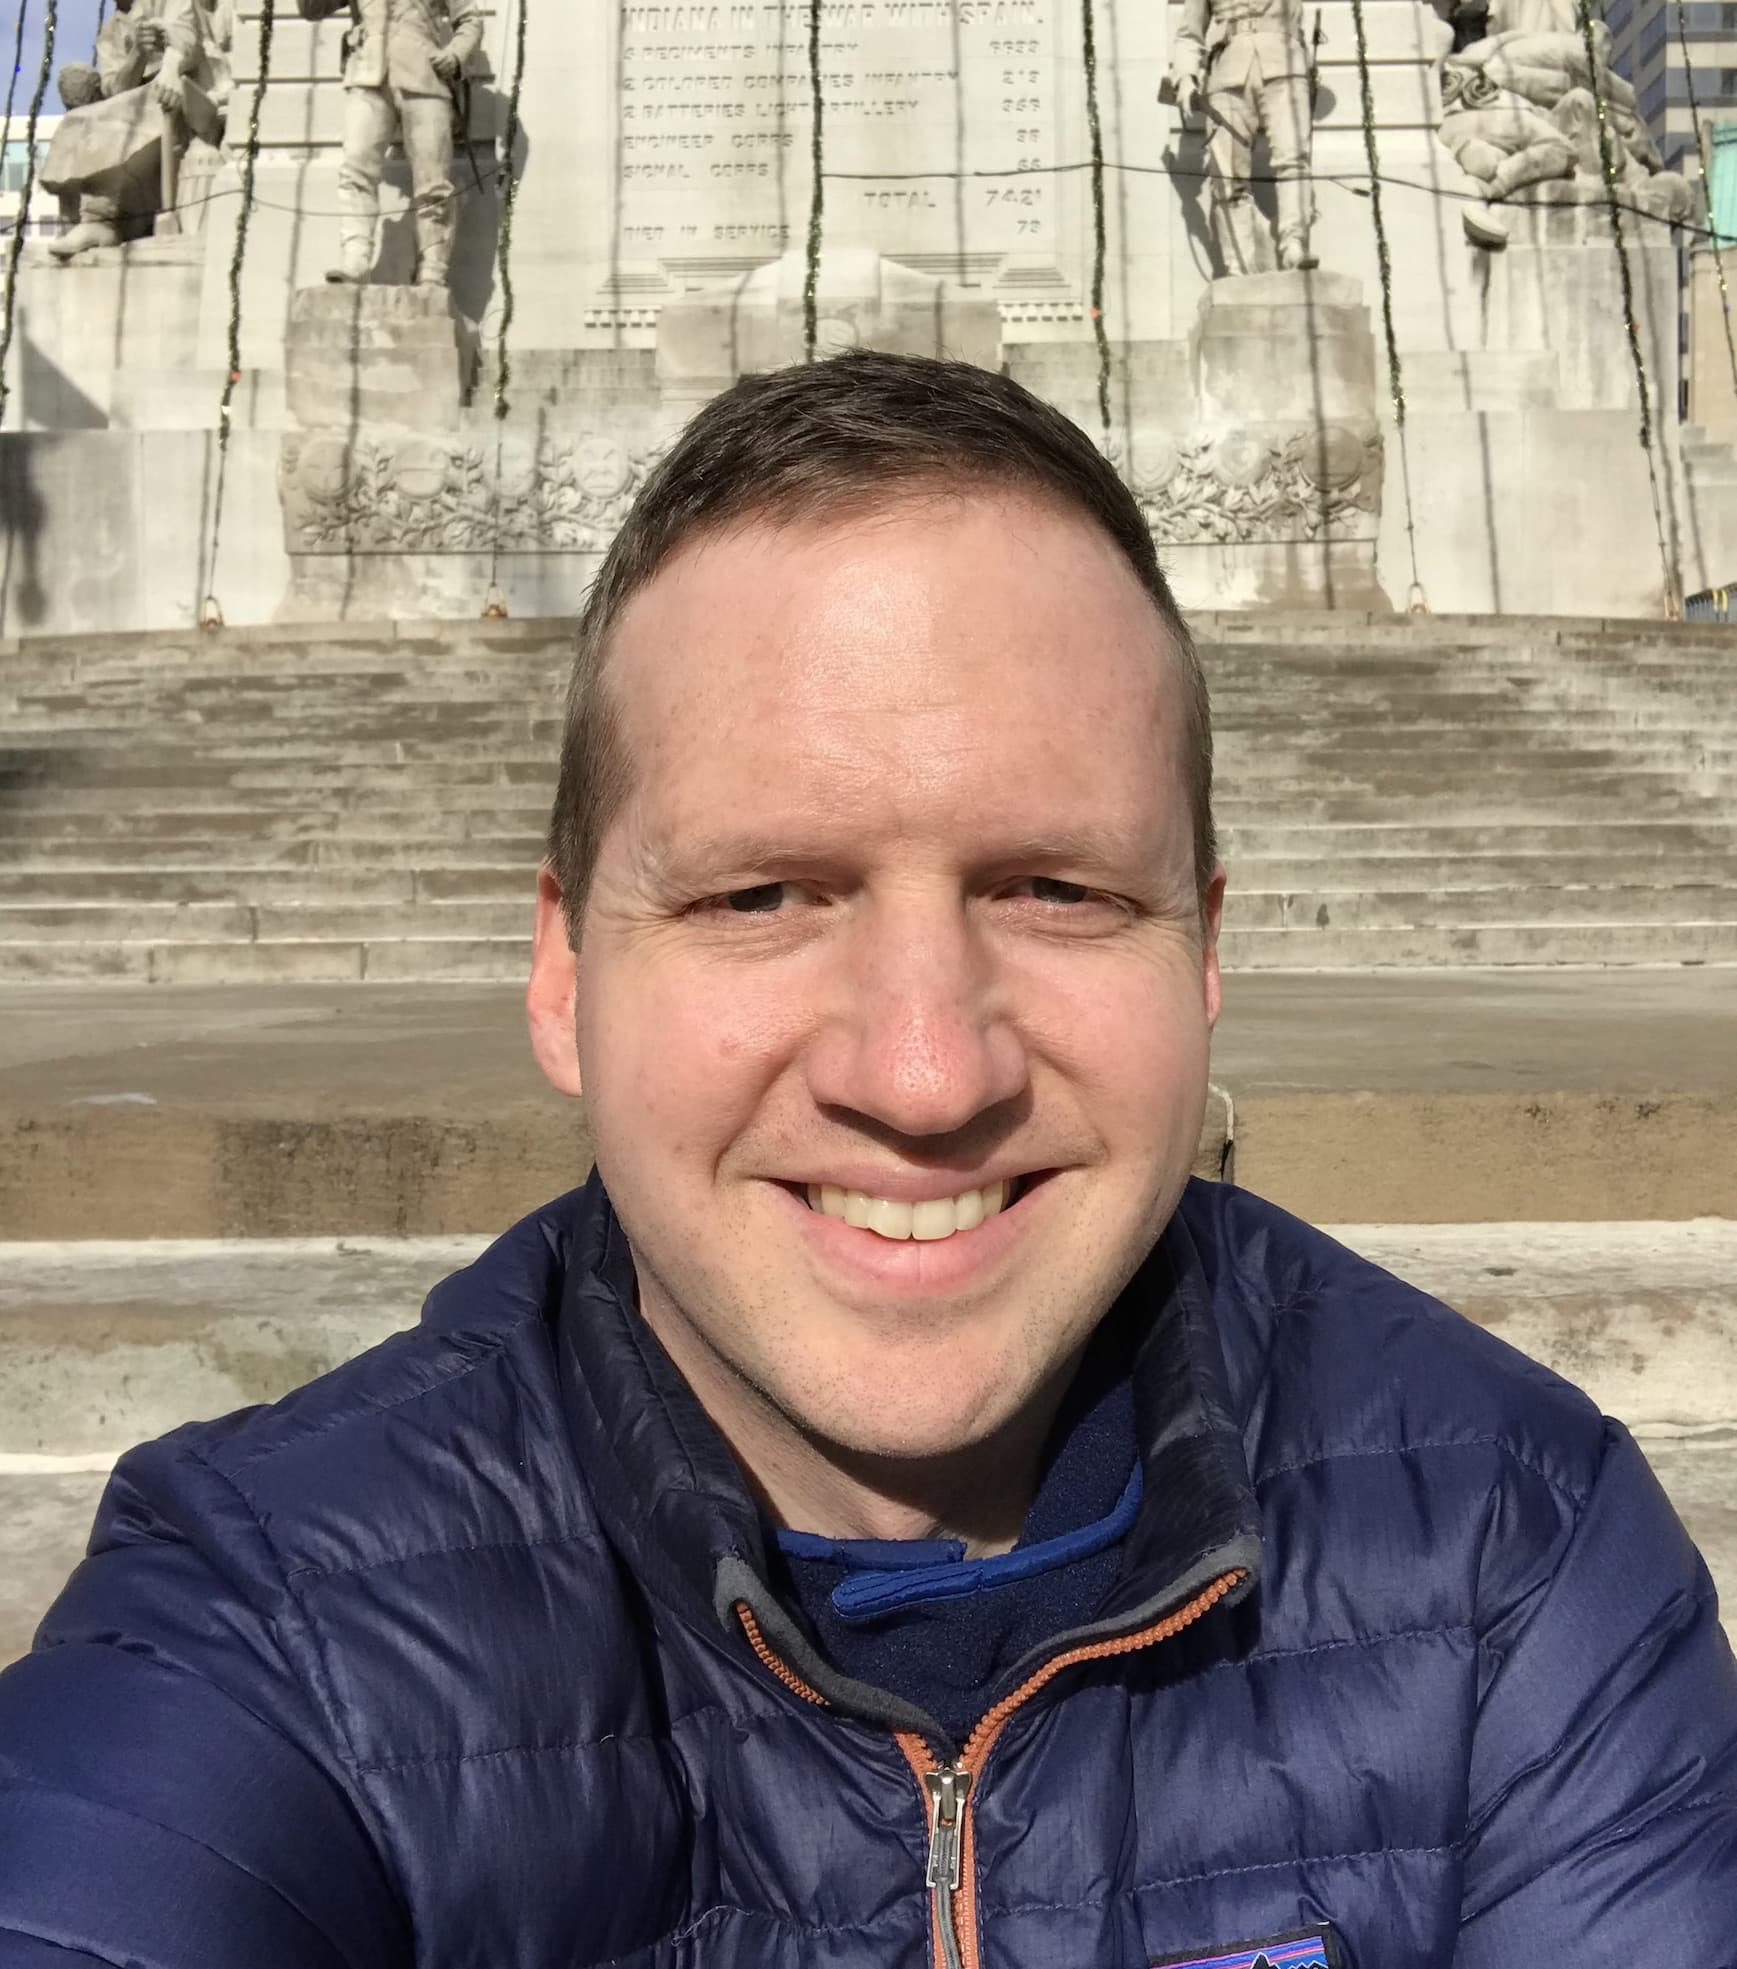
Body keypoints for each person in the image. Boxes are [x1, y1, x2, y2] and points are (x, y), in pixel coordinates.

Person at [0, 350, 1733, 1967]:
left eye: (1057, 888)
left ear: (1201, 957)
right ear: (563, 972)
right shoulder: (268, 1624)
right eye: (759, 892)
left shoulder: (1518, 1545)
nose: (922, 1072)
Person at [298, 0, 483, 288]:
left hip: (425, 74)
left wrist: (455, 56)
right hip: (368, 74)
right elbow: (312, 8)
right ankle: (356, 258)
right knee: (355, 169)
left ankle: (433, 267)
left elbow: (470, 19)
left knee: (433, 182)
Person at [41, 0, 230, 262]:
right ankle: (93, 221)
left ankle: (99, 218)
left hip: (183, 94)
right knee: (83, 120)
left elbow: (188, 38)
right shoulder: (111, 31)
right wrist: (138, 54)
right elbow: (115, 89)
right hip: (136, 102)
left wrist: (170, 66)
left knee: (112, 122)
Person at [1167, 0, 1319, 273]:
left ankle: (1294, 244)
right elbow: (1189, 33)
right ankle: (1239, 267)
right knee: (1228, 177)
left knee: (1293, 158)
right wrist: (1186, 76)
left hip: (1284, 61)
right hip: (1229, 71)